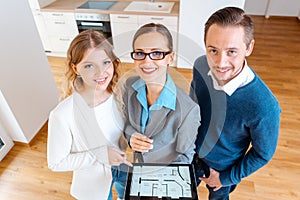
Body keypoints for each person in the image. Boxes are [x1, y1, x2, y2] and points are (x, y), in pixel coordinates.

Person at [189, 7, 281, 199]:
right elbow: (193, 103)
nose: (220, 63)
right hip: (191, 156)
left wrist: (226, 178)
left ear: (249, 48)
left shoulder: (264, 106)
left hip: (223, 171)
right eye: (213, 50)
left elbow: (263, 154)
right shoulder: (200, 65)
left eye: (231, 52)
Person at [47, 30, 132, 200]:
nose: (101, 73)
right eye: (89, 65)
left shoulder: (119, 94)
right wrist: (99, 155)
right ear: (75, 68)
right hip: (94, 183)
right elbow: (55, 163)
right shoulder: (62, 115)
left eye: (106, 62)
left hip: (121, 167)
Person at [122, 23, 201, 164]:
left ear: (170, 58)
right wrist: (131, 136)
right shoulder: (130, 86)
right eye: (140, 53)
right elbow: (127, 124)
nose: (147, 61)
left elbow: (185, 157)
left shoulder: (189, 110)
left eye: (157, 53)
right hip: (136, 167)